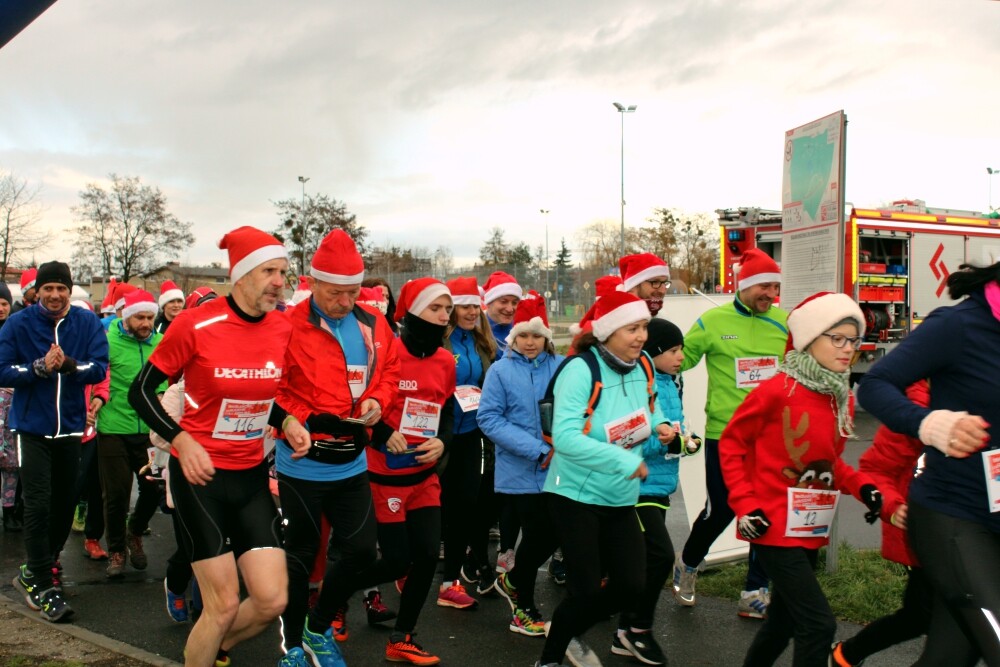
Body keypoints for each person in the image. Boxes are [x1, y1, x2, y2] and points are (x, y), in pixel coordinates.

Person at [129, 226, 292, 667]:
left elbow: (261, 394)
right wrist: (181, 438)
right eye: (269, 271)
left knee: (272, 600)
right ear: (240, 276)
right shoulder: (196, 324)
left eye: (283, 270)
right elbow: (140, 392)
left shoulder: (282, 326)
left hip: (252, 477)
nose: (280, 280)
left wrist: (288, 419)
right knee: (220, 605)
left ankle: (216, 650)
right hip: (201, 478)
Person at [719, 291, 883, 667]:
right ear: (810, 339)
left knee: (783, 622)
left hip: (808, 526)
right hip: (772, 525)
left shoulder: (839, 395)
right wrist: (745, 505)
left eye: (854, 340)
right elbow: (731, 446)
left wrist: (865, 488)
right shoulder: (777, 390)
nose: (848, 349)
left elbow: (829, 463)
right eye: (837, 338)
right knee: (818, 625)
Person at [857, 260, 1000, 666]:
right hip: (956, 516)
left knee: (948, 657)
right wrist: (930, 424)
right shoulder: (959, 326)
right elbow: (875, 384)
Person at [271, 228, 399, 667]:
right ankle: (290, 648)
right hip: (303, 464)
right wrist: (303, 419)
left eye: (352, 292)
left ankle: (317, 627)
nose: (345, 301)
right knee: (301, 556)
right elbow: (274, 389)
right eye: (335, 293)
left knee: (362, 551)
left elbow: (390, 370)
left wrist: (379, 400)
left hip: (351, 463)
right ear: (312, 281)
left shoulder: (373, 322)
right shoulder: (287, 324)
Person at [536, 291, 674, 667]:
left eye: (644, 327)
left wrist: (660, 423)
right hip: (575, 497)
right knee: (584, 590)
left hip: (620, 497)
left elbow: (650, 403)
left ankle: (567, 630)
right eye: (632, 328)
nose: (641, 336)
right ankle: (550, 657)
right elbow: (564, 438)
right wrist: (620, 459)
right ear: (608, 332)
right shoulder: (581, 369)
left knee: (631, 585)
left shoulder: (644, 364)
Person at [673, 248, 787, 618]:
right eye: (764, 286)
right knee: (721, 509)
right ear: (745, 286)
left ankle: (755, 589)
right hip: (725, 434)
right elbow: (680, 358)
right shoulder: (713, 321)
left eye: (775, 286)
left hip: (771, 437)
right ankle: (688, 564)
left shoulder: (786, 323)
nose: (770, 294)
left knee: (764, 511)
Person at [349, 277, 455, 666]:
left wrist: (443, 441)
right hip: (382, 476)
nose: (444, 317)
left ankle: (402, 637)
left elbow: (447, 412)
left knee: (427, 555)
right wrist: (382, 435)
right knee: (396, 561)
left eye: (447, 310)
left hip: (423, 476)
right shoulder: (385, 352)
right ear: (411, 312)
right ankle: (332, 595)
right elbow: (358, 409)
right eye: (435, 309)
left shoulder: (445, 360)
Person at [831, 380, 968, 667]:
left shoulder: (983, 397)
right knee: (927, 614)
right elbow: (877, 468)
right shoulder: (914, 410)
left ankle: (846, 654)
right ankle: (846, 654)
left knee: (953, 617)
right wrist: (895, 508)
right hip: (928, 532)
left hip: (975, 530)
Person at [1, 261, 109, 622]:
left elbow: (98, 367)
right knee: (38, 503)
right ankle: (44, 585)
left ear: (69, 290)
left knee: (64, 503)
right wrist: (38, 368)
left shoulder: (87, 322)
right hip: (31, 428)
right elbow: (2, 370)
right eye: (48, 288)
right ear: (38, 292)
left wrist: (68, 366)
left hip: (71, 429)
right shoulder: (19, 323)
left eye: (61, 288)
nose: (54, 295)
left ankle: (35, 570)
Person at [611, 318, 701, 666]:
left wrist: (686, 442)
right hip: (638, 486)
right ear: (654, 352)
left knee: (644, 561)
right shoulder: (641, 383)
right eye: (673, 351)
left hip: (661, 485)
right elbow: (632, 436)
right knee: (661, 556)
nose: (681, 356)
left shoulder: (671, 381)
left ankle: (625, 631)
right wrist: (672, 441)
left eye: (681, 349)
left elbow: (675, 431)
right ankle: (637, 629)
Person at [478, 295, 563, 636]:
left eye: (536, 336)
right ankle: (522, 610)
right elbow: (489, 418)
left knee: (552, 533)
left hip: (559, 468)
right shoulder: (500, 370)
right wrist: (536, 449)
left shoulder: (561, 366)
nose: (530, 342)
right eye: (523, 336)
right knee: (537, 534)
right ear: (513, 338)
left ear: (547, 338)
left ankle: (512, 581)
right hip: (519, 471)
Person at [95, 289, 166, 577]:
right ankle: (116, 550)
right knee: (116, 494)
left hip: (148, 430)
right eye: (140, 317)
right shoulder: (107, 341)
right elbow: (98, 378)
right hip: (113, 427)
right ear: (126, 317)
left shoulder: (161, 342)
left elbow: (166, 377)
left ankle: (134, 531)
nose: (146, 323)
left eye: (150, 317)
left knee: (151, 488)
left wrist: (161, 394)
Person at [439, 276, 498, 595]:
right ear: (452, 310)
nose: (472, 311)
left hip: (473, 433)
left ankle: (453, 578)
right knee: (444, 503)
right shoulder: (440, 340)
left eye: (476, 305)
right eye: (465, 306)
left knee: (468, 502)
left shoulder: (481, 342)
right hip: (442, 434)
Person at [481, 271, 522, 358]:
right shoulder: (476, 330)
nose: (510, 309)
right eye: (504, 302)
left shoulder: (523, 329)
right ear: (488, 303)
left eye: (514, 303)